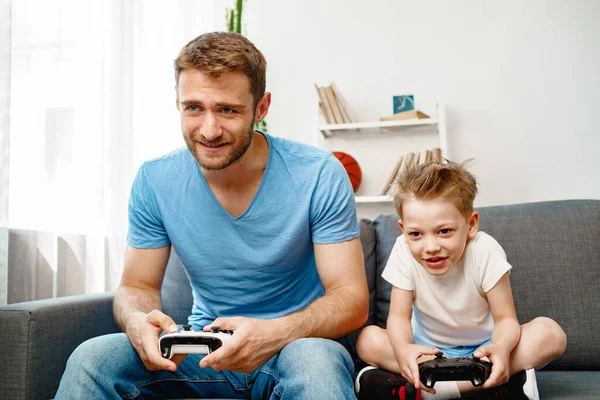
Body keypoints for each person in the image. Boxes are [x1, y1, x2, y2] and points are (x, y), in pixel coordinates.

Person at [55, 31, 368, 399]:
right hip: (204, 351)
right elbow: (137, 286)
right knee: (93, 358)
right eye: (193, 108)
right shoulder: (155, 180)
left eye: (228, 110)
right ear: (177, 102)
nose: (208, 129)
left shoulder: (318, 173)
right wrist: (138, 319)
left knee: (316, 360)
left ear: (261, 108)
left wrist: (276, 333)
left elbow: (351, 299)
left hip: (295, 347)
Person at [354, 159, 567, 400]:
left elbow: (506, 318)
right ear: (403, 230)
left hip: (483, 350)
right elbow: (399, 318)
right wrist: (404, 350)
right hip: (427, 352)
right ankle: (492, 383)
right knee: (367, 340)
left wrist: (501, 349)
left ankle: (434, 390)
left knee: (551, 334)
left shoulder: (485, 250)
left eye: (444, 231)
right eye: (416, 234)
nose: (431, 246)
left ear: (471, 224)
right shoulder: (402, 250)